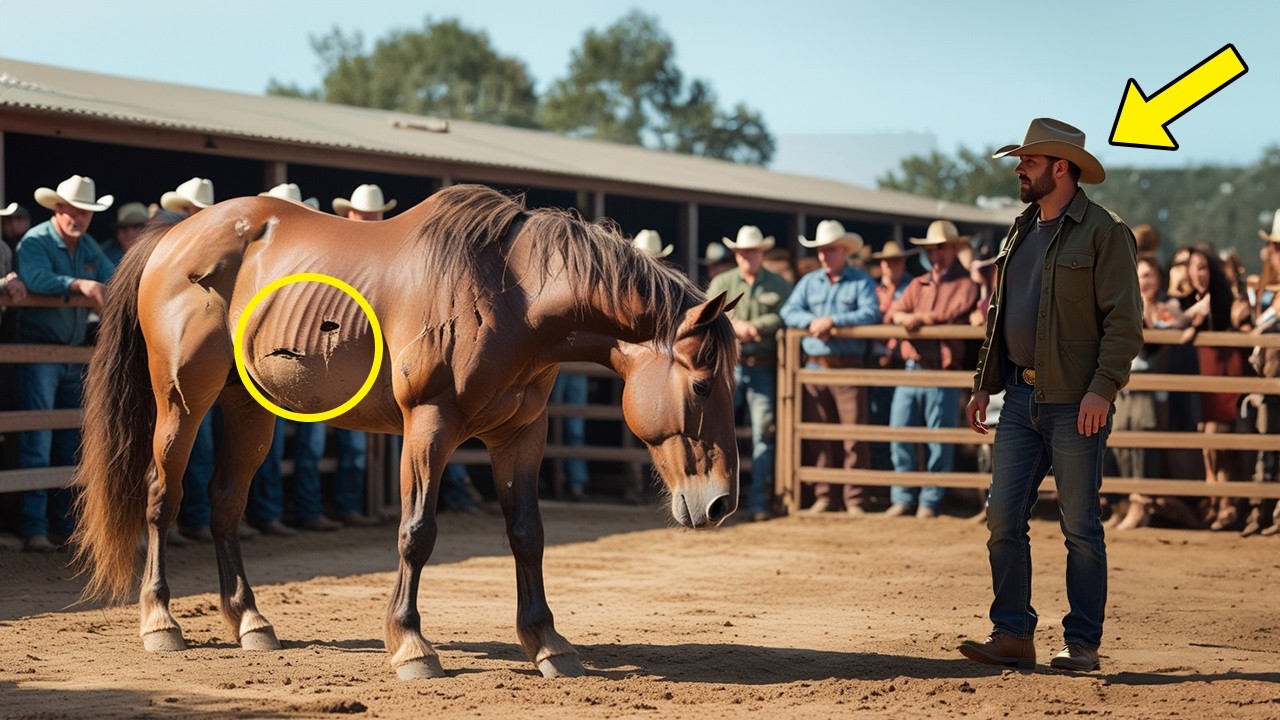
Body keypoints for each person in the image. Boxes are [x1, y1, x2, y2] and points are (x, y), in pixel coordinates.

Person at [959, 118, 1143, 672]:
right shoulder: (1019, 230)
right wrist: (983, 384)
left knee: (1080, 527)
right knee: (1001, 518)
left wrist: (1102, 390)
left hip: (1077, 401)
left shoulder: (1105, 232)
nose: (1020, 169)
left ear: (1061, 168)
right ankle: (1013, 634)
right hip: (1018, 397)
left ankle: (1082, 643)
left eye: (1030, 161)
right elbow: (1000, 315)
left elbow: (1125, 324)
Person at [15, 175, 116, 552]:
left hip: (71, 352)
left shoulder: (86, 244)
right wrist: (80, 285)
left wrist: (98, 287)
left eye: (85, 212)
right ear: (58, 209)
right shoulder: (37, 241)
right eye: (73, 211)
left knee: (72, 440)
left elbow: (112, 276)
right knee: (39, 438)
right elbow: (34, 278)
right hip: (40, 350)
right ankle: (35, 526)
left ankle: (67, 526)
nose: (79, 218)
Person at [780, 219, 881, 515]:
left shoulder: (860, 281)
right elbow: (789, 311)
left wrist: (833, 321)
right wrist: (812, 322)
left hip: (847, 367)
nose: (824, 255)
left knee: (853, 435)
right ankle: (826, 495)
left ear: (844, 251)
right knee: (819, 434)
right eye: (821, 250)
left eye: (831, 249)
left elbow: (872, 313)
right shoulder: (809, 282)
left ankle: (854, 498)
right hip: (815, 368)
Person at [883, 221, 979, 519]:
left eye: (941, 248)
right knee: (900, 432)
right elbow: (895, 312)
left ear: (953, 249)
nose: (935, 254)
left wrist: (917, 318)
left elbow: (951, 312)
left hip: (941, 369)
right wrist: (904, 318)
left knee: (938, 438)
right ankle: (904, 495)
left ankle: (930, 500)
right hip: (913, 367)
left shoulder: (965, 284)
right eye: (931, 249)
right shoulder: (919, 283)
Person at [708, 225, 793, 521]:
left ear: (761, 253)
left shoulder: (779, 285)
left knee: (763, 435)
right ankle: (719, 498)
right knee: (717, 432)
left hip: (762, 365)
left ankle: (757, 501)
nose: (747, 257)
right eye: (743, 252)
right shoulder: (722, 282)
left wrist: (758, 326)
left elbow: (788, 314)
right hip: (729, 368)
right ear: (736, 254)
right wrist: (735, 327)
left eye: (752, 252)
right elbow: (708, 315)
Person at [1182, 245, 1254, 531]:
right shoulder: (1190, 301)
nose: (1199, 274)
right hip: (1203, 381)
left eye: (1204, 267)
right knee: (1208, 444)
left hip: (1224, 378)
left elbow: (1241, 326)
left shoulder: (1228, 301)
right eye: (1194, 267)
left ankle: (1227, 504)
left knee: (1219, 442)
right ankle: (1217, 501)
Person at [867, 240, 919, 473]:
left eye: (895, 261)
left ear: (903, 262)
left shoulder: (914, 288)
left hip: (903, 363)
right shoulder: (873, 290)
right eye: (886, 261)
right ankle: (884, 478)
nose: (890, 265)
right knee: (877, 421)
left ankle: (905, 478)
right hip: (877, 364)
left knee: (905, 426)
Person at [1243, 212, 1280, 536]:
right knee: (1265, 446)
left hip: (1271, 378)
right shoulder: (1267, 289)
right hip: (1269, 379)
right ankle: (1259, 510)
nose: (1270, 253)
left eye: (1276, 247)